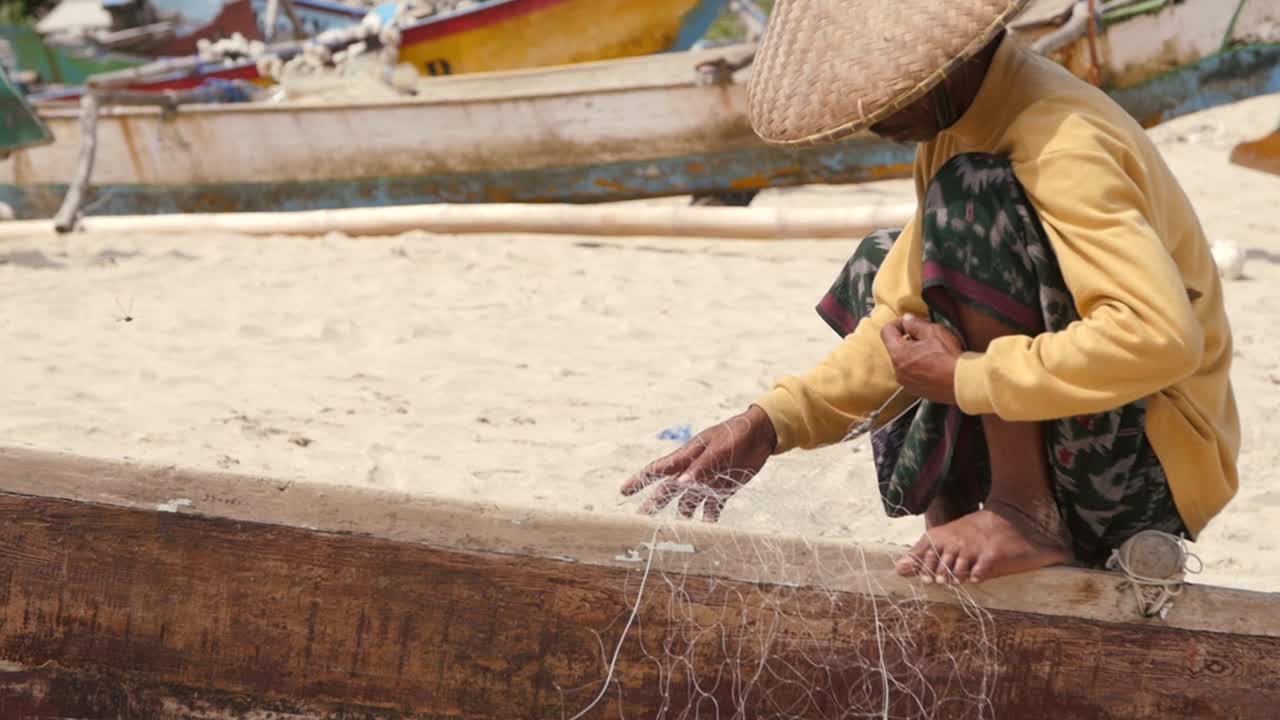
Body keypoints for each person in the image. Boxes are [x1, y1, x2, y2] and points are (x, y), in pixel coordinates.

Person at [620, 0, 1239, 585]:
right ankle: (957, 515)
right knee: (880, 263)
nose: (872, 119)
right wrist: (768, 424)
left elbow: (1160, 338)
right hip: (1080, 446)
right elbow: (898, 323)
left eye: (889, 91)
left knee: (967, 203)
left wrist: (967, 377)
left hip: (1146, 476)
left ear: (953, 58)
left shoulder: (1062, 139)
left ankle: (1025, 515)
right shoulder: (960, 124)